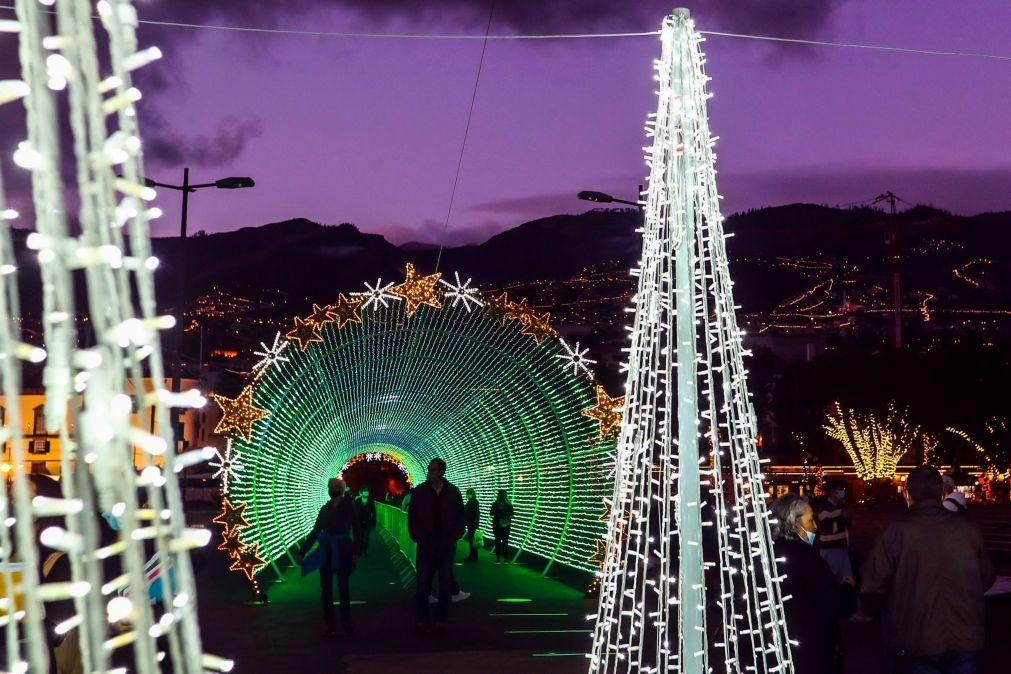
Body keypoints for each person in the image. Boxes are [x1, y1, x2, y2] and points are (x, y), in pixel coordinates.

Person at [861, 466, 996, 674]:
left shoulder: (895, 532)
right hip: (965, 633)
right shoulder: (967, 528)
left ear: (909, 492)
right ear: (941, 491)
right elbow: (987, 576)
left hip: (916, 636)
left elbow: (872, 584)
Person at [770, 494, 855, 674]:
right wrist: (848, 588)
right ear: (793, 523)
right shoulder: (808, 559)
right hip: (811, 643)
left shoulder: (767, 555)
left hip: (776, 644)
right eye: (810, 521)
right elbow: (836, 603)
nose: (815, 527)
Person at [296, 478, 362, 636]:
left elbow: (357, 530)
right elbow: (315, 531)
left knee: (343, 588)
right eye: (331, 486)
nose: (333, 489)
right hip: (326, 552)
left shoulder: (349, 507)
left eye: (336, 487)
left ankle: (345, 622)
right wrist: (302, 552)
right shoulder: (325, 509)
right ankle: (329, 624)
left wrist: (356, 552)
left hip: (344, 551)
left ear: (342, 489)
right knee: (326, 590)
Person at [408, 458, 465, 633]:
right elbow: (412, 515)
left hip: (446, 545)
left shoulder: (453, 492)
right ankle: (421, 619)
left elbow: (460, 517)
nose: (429, 472)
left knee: (444, 584)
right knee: (423, 583)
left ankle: (441, 620)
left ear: (441, 472)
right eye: (429, 469)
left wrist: (455, 537)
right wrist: (416, 536)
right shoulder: (420, 491)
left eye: (433, 470)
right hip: (426, 544)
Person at [815, 480, 853, 583]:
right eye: (840, 489)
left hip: (842, 547)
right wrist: (841, 516)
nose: (843, 492)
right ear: (832, 491)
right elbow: (825, 526)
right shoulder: (825, 507)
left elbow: (846, 526)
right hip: (830, 548)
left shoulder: (841, 506)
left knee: (846, 579)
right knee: (833, 579)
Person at [490, 489, 514, 564]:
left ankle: (498, 559)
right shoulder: (508, 504)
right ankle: (505, 559)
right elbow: (512, 514)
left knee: (497, 541)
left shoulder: (495, 504)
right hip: (506, 525)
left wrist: (497, 514)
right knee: (505, 541)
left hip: (497, 525)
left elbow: (491, 513)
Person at [356, 487, 377, 551]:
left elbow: (373, 512)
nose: (366, 493)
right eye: (365, 492)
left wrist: (373, 521)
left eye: (366, 492)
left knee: (366, 535)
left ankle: (364, 548)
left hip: (366, 521)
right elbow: (373, 512)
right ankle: (363, 547)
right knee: (362, 535)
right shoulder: (358, 501)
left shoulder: (370, 501)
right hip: (360, 521)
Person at [464, 488, 480, 562]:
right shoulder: (472, 502)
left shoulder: (473, 502)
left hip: (472, 524)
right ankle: (474, 555)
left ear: (471, 494)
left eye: (468, 493)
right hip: (472, 524)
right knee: (472, 540)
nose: (466, 495)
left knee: (472, 540)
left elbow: (475, 514)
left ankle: (472, 556)